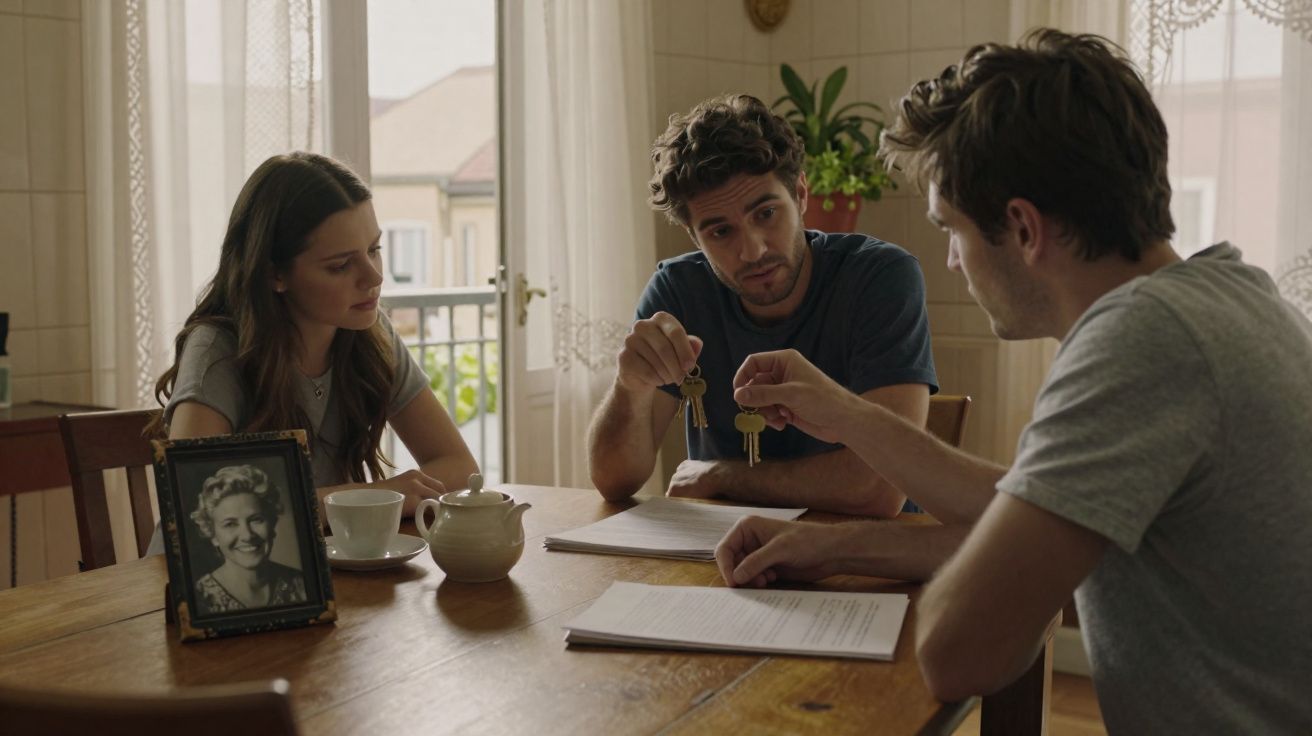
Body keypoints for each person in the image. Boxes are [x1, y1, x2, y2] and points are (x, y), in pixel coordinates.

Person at [715, 30, 1312, 733]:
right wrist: (843, 436)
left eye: (952, 229)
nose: (953, 263)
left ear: (1024, 229)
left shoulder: (1140, 345)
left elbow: (956, 652)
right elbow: (1028, 508)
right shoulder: (1229, 290)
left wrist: (851, 542)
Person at [588, 94, 938, 517]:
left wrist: (721, 477)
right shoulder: (678, 291)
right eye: (720, 232)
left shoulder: (879, 277)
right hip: (727, 556)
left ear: (802, 194)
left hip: (870, 559)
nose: (751, 251)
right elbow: (613, 480)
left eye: (766, 213)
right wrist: (630, 386)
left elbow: (878, 489)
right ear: (693, 237)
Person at [147, 152, 478, 548]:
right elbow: (194, 508)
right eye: (340, 265)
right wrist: (361, 498)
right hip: (203, 591)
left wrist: (337, 503)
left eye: (374, 250)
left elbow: (460, 467)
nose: (373, 277)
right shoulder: (218, 351)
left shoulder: (372, 336)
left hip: (319, 571)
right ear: (274, 274)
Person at [190, 464, 305, 613]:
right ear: (213, 535)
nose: (247, 535)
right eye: (230, 524)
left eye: (256, 519)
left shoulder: (302, 584)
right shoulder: (199, 600)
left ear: (272, 523)